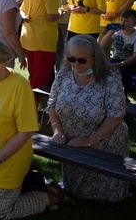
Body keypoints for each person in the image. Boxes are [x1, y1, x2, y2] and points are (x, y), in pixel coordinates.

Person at [0, 39, 67, 220]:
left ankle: (51, 195)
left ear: (4, 60)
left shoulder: (19, 85)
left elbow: (26, 131)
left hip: (7, 161)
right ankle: (27, 185)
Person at [48, 35, 130, 202]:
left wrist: (90, 140)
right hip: (72, 142)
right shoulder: (64, 73)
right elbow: (52, 105)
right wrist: (57, 131)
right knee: (74, 190)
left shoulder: (110, 78)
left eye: (82, 60)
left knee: (103, 196)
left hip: (104, 143)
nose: (76, 64)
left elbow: (116, 116)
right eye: (71, 59)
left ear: (95, 58)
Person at [20, 0, 63, 90]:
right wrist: (61, 12)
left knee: (33, 75)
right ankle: (33, 106)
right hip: (44, 40)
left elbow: (22, 10)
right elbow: (51, 17)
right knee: (40, 80)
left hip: (29, 37)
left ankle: (29, 103)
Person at [101, 9, 136, 95]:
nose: (122, 23)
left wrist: (120, 64)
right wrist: (111, 31)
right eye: (121, 20)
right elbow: (103, 44)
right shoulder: (118, 32)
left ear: (134, 24)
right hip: (116, 59)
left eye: (126, 21)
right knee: (101, 72)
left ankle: (122, 97)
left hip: (131, 63)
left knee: (119, 75)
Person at [55, 0, 78, 70]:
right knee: (57, 48)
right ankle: (59, 68)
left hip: (68, 22)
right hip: (56, 20)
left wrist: (63, 7)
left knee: (67, 48)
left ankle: (67, 69)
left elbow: (76, 3)